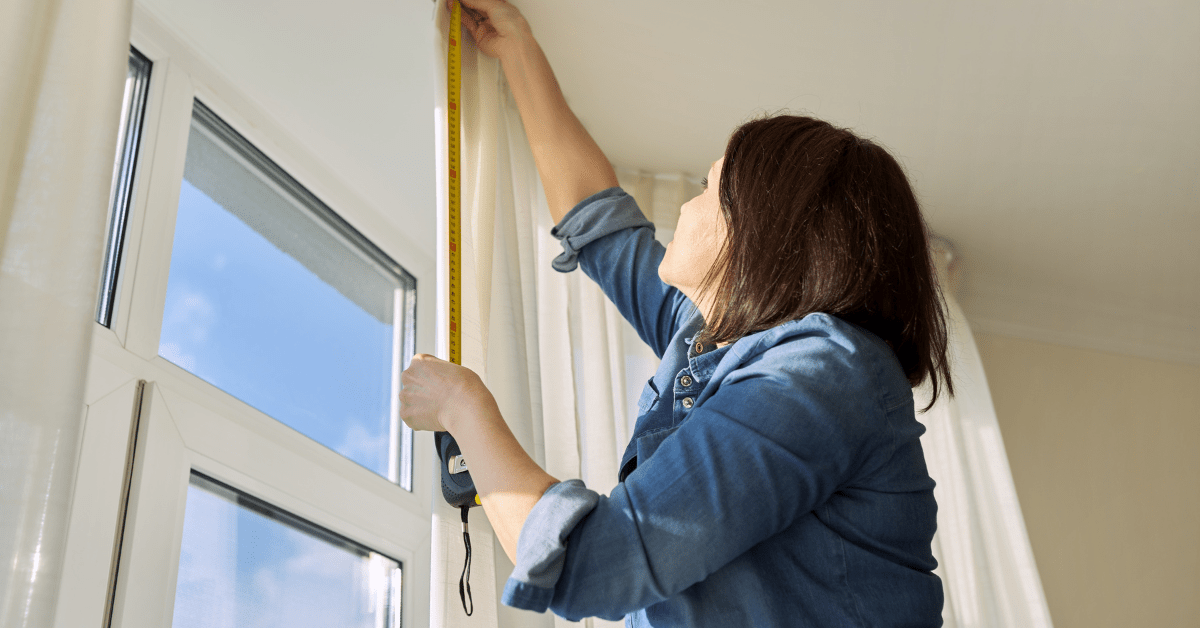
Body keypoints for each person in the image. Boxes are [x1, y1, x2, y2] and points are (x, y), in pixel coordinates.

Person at [400, 0, 951, 625]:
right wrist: (518, 51)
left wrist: (462, 407)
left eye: (708, 190)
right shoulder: (710, 340)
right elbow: (601, 226)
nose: (687, 209)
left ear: (763, 232)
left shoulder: (818, 372)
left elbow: (591, 565)